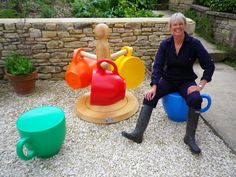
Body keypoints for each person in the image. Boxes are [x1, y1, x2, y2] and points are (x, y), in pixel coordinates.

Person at [121, 12, 215, 155]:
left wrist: (200, 85)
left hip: (186, 80)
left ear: (185, 25)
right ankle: (138, 133)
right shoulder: (165, 44)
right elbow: (157, 66)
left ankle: (189, 137)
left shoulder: (194, 44)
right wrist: (154, 85)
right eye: (174, 24)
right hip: (168, 79)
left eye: (180, 24)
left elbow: (209, 65)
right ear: (170, 27)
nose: (177, 27)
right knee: (149, 96)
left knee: (196, 99)